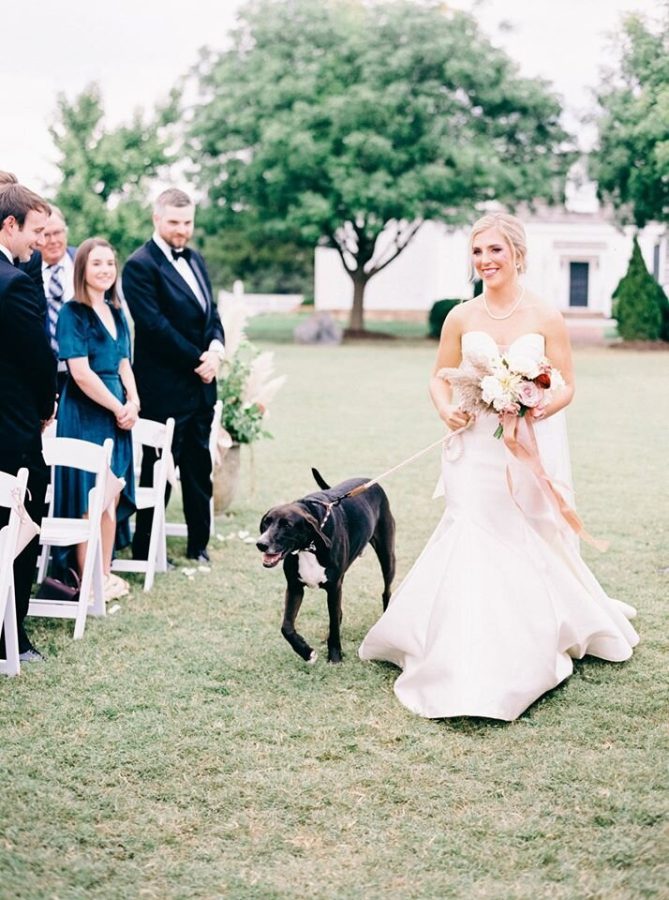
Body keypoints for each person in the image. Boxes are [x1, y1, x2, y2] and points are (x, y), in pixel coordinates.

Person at [359, 212, 638, 721]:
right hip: (473, 451)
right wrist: (446, 408)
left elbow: (568, 384)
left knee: (525, 532)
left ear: (518, 255)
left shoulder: (547, 316)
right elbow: (440, 378)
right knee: (473, 532)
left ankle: (527, 639)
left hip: (526, 448)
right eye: (477, 252)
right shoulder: (460, 317)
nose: (485, 261)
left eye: (495, 251)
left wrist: (536, 406)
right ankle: (460, 648)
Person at [122, 188, 225, 564]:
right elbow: (153, 326)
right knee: (157, 472)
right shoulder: (139, 265)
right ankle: (147, 547)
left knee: (199, 469)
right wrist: (198, 358)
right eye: (174, 223)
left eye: (187, 223)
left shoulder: (196, 258)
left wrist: (216, 351)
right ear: (156, 219)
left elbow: (211, 312)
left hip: (201, 389)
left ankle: (198, 544)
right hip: (163, 389)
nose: (182, 230)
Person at [54, 238, 138, 601]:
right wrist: (116, 407)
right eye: (97, 263)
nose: (105, 270)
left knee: (111, 496)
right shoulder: (73, 313)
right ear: (82, 269)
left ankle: (103, 575)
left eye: (110, 263)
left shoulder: (117, 312)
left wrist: (133, 401)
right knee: (90, 498)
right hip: (87, 412)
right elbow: (81, 373)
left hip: (117, 415)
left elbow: (123, 365)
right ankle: (86, 580)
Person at [0, 183, 56, 663]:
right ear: (9, 225)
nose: (40, 241)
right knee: (20, 526)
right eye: (35, 231)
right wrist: (46, 407)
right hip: (11, 426)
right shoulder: (13, 283)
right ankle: (10, 637)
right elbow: (39, 356)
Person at [40, 206, 77, 395]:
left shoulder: (85, 262)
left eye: (58, 233)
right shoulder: (24, 269)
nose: (53, 241)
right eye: (47, 235)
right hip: (44, 376)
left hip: (87, 370)